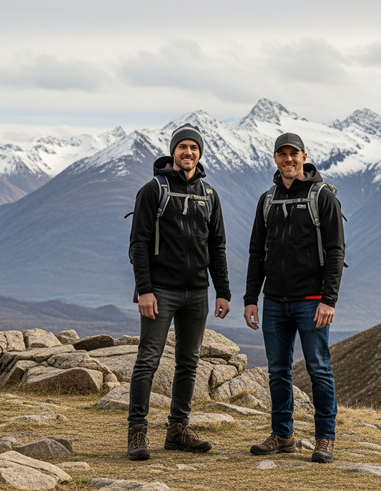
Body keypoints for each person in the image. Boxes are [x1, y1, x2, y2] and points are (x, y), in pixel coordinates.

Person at [126, 123, 231, 460]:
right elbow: (138, 244)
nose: (188, 152)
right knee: (148, 360)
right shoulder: (153, 190)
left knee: (189, 363)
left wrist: (223, 291)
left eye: (194, 148)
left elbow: (217, 246)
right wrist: (145, 290)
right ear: (173, 152)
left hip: (197, 293)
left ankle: (177, 431)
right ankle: (137, 432)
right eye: (183, 147)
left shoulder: (209, 194)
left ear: (200, 154)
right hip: (160, 292)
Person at [243, 132, 345, 463]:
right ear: (275, 159)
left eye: (293, 153)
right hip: (274, 300)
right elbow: (256, 252)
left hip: (312, 301)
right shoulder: (267, 200)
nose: (288, 159)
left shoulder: (322, 196)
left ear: (304, 156)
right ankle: (282, 434)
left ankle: (325, 438)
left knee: (318, 369)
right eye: (282, 154)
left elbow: (336, 250)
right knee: (278, 371)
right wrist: (250, 298)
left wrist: (329, 299)